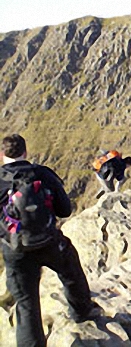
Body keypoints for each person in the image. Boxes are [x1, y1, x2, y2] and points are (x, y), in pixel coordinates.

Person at [0, 134, 99, 347]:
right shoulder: (42, 174)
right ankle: (82, 311)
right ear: (25, 153)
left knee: (26, 303)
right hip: (48, 241)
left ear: (2, 155)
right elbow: (64, 210)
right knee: (70, 267)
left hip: (15, 249)